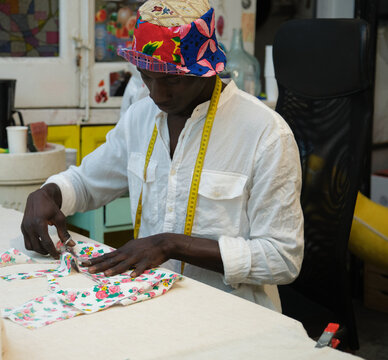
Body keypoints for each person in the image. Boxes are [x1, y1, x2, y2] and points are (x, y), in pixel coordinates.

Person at [21, 0, 304, 311]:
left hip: (231, 314)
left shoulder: (265, 133)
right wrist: (49, 192)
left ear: (206, 69)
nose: (156, 94)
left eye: (172, 79)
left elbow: (282, 258)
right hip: (153, 303)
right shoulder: (141, 117)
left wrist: (171, 244)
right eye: (146, 76)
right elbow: (87, 183)